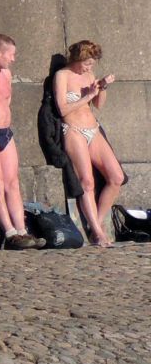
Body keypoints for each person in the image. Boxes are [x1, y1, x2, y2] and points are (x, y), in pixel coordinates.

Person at [56, 39, 123, 248]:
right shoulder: (62, 76)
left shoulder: (89, 75)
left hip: (92, 129)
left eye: (92, 64)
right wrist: (88, 95)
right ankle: (96, 231)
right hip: (73, 130)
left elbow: (98, 105)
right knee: (87, 182)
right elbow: (62, 109)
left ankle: (99, 221)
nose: (89, 68)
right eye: (86, 63)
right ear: (76, 59)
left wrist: (102, 88)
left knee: (116, 177)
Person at [0, 34, 40, 250]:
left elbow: (7, 102)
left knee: (12, 181)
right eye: (10, 54)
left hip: (5, 132)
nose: (13, 59)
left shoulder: (6, 73)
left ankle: (22, 230)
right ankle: (9, 232)